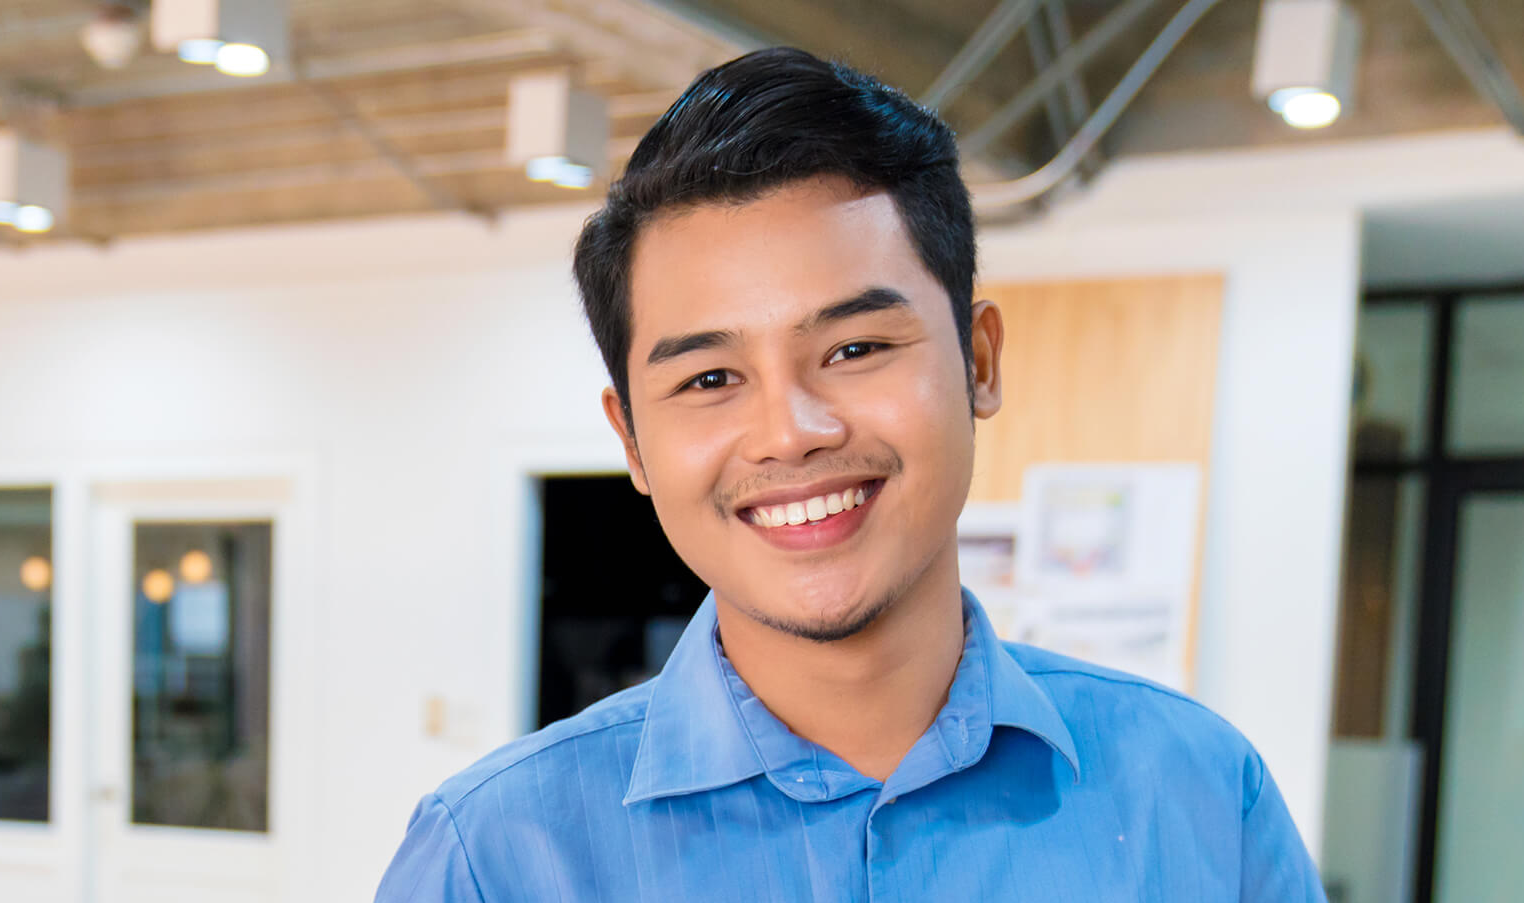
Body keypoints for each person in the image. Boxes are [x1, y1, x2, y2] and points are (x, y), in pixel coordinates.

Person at [374, 47, 1326, 901]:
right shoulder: (495, 860)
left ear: (979, 362)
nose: (789, 433)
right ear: (631, 441)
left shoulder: (1196, 794)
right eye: (710, 377)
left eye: (856, 346)